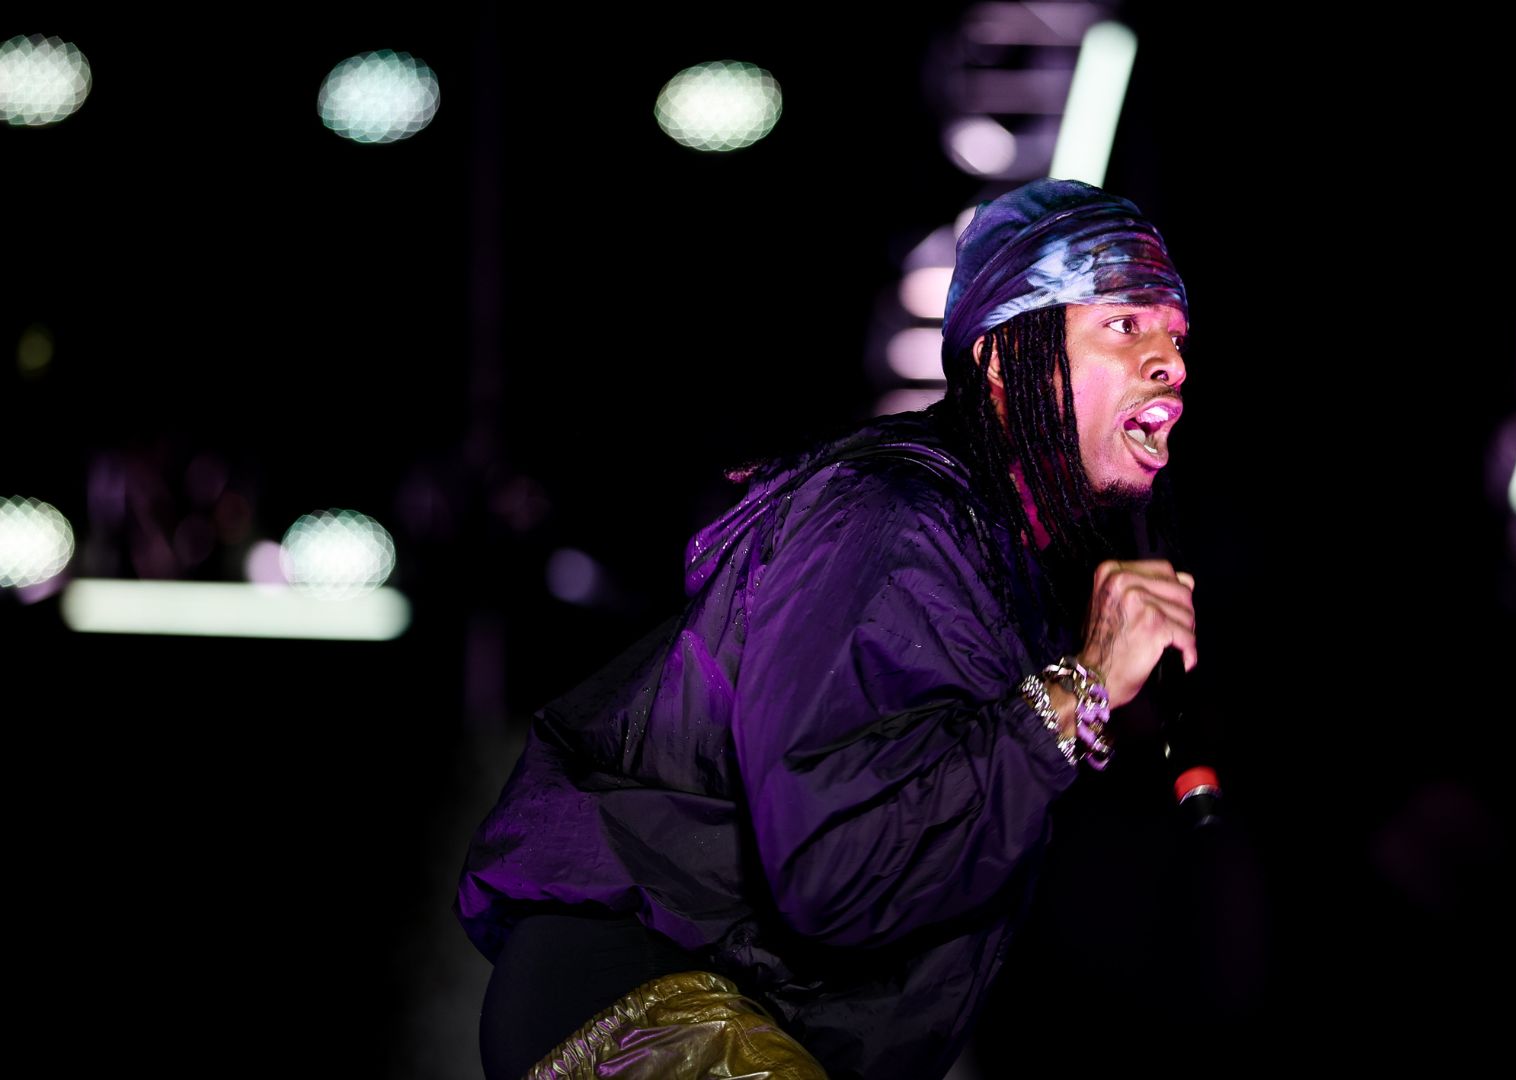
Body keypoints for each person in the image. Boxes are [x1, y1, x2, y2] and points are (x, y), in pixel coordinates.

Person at [456, 176, 1199, 1080]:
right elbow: (834, 867)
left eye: (1177, 336)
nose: (1172, 362)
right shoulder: (894, 518)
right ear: (1007, 356)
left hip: (745, 1014)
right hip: (656, 1005)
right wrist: (1075, 688)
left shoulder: (993, 559)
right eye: (1125, 325)